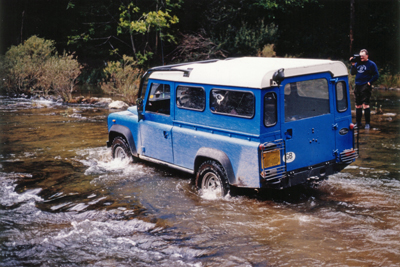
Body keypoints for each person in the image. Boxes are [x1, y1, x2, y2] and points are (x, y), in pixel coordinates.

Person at [350, 49, 379, 129]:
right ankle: (358, 123)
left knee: (365, 105)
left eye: (363, 56)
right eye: (360, 56)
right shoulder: (357, 62)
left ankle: (367, 123)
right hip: (357, 85)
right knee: (357, 105)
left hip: (365, 85)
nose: (361, 58)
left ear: (367, 56)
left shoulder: (371, 64)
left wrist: (370, 82)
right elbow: (352, 73)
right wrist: (353, 64)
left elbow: (376, 75)